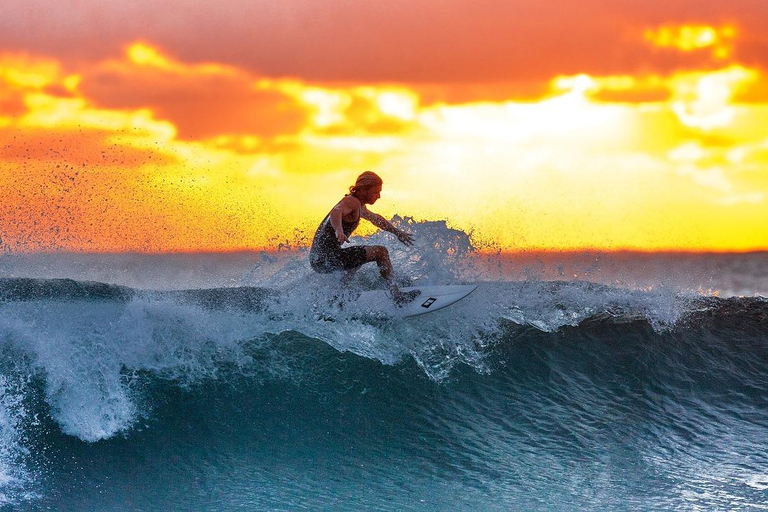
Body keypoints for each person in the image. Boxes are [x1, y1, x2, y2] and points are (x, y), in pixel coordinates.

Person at [309, 171, 420, 306]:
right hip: (326, 258)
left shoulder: (358, 205)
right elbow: (336, 211)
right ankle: (397, 295)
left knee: (359, 257)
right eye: (375, 192)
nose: (378, 196)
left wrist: (397, 232)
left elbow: (376, 219)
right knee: (381, 252)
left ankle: (338, 298)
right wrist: (338, 229)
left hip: (319, 259)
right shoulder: (351, 201)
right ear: (362, 190)